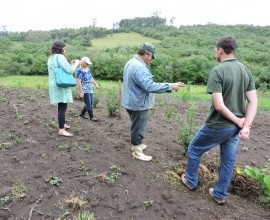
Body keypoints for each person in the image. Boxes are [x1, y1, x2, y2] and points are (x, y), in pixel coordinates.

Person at [181, 36, 258, 205]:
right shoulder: (246, 71)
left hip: (219, 124)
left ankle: (191, 180)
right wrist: (246, 126)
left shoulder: (218, 71)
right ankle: (220, 194)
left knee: (194, 148)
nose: (215, 52)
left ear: (221, 50)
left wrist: (240, 123)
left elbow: (219, 107)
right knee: (228, 160)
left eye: (216, 50)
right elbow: (253, 101)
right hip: (234, 129)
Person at [122, 43, 185, 161]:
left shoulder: (131, 62)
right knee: (139, 128)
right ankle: (137, 151)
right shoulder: (139, 67)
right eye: (151, 56)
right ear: (146, 54)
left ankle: (137, 145)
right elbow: (149, 86)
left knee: (135, 125)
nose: (151, 60)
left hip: (131, 101)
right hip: (139, 103)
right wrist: (170, 86)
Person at [48, 40, 80, 137]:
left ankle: (63, 124)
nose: (65, 50)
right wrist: (76, 64)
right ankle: (61, 130)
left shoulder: (51, 58)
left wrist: (70, 64)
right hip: (60, 85)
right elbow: (70, 70)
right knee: (63, 106)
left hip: (54, 83)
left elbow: (61, 69)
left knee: (61, 105)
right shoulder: (60, 57)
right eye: (64, 48)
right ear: (60, 48)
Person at [76, 56, 100, 121]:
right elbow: (78, 81)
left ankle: (82, 114)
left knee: (90, 103)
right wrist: (81, 91)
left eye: (88, 63)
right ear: (82, 63)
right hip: (84, 89)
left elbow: (91, 77)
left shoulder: (88, 69)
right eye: (86, 63)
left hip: (90, 88)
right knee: (89, 104)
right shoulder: (79, 70)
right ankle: (91, 117)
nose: (87, 64)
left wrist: (96, 84)